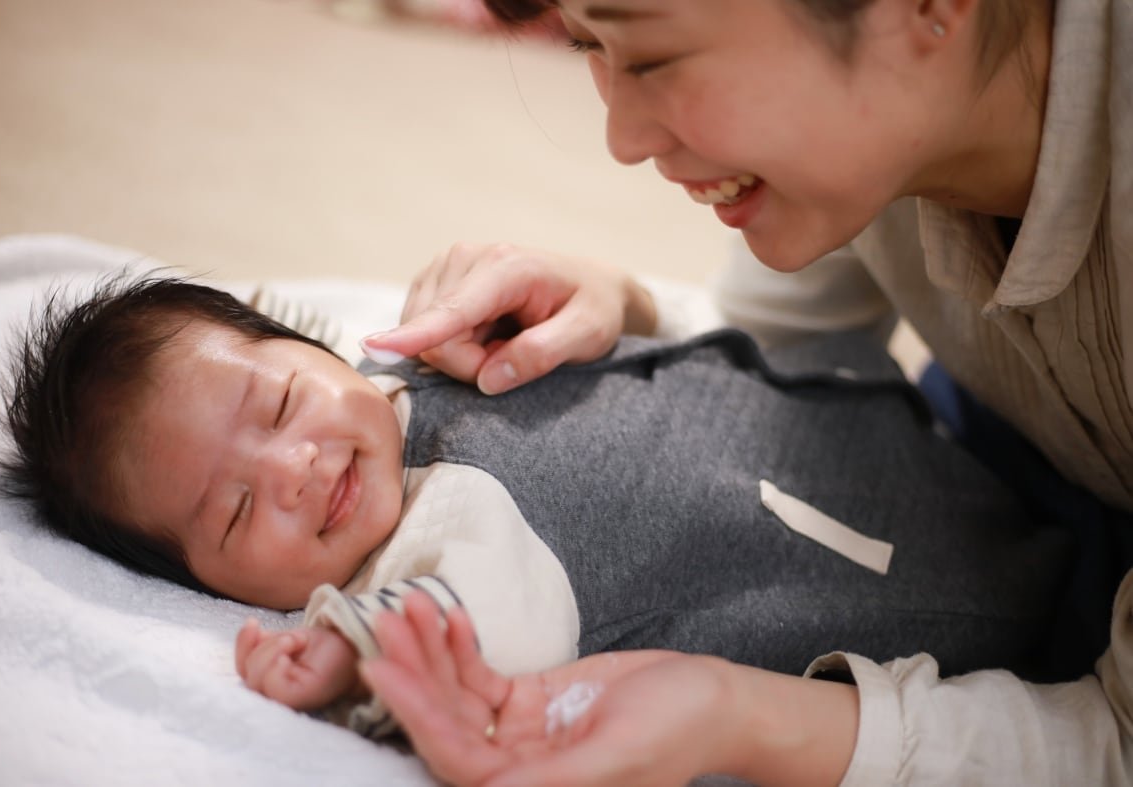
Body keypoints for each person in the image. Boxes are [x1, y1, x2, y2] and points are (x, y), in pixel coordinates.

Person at [351, 0, 1133, 784]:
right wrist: (621, 304)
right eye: (588, 44)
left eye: (654, 58)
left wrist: (747, 718)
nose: (622, 141)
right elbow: (777, 338)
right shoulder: (881, 135)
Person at [0, 274, 1064, 743]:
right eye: (232, 515)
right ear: (220, 586)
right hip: (954, 592)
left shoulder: (420, 359)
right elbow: (463, 634)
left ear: (315, 346)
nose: (293, 469)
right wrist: (348, 662)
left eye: (276, 400)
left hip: (886, 411)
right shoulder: (435, 547)